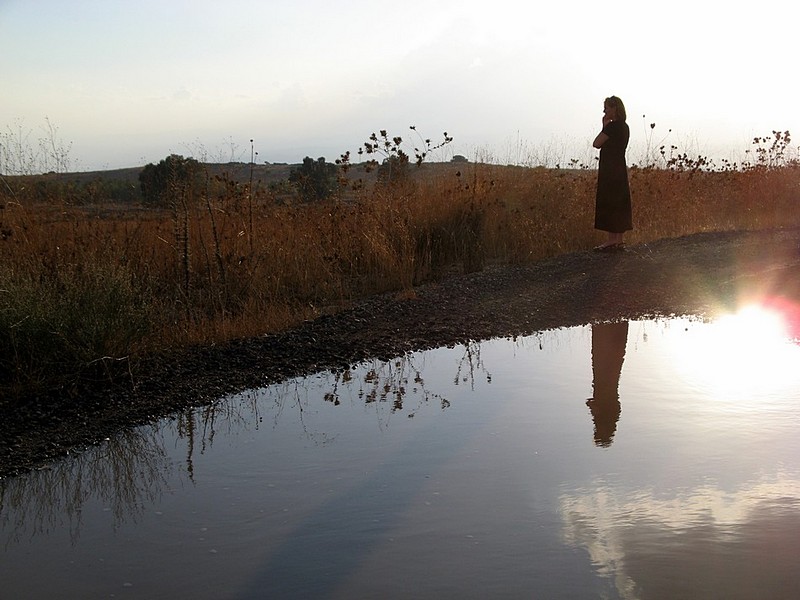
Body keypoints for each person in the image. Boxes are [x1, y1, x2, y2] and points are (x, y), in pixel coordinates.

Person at [592, 96, 632, 251]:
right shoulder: (625, 126)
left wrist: (604, 126)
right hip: (620, 167)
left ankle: (611, 240)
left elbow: (596, 143)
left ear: (615, 108)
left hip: (610, 168)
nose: (604, 110)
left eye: (607, 107)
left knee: (610, 200)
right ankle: (619, 239)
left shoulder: (612, 127)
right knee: (620, 201)